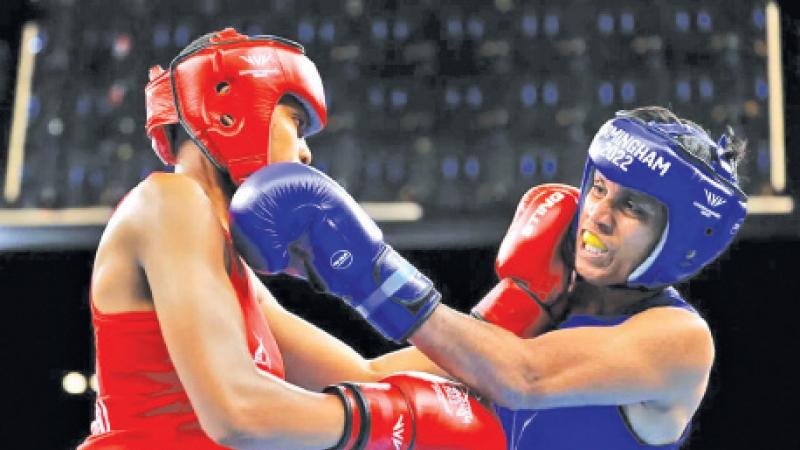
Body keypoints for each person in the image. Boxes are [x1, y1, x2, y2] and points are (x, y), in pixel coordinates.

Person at [79, 28, 507, 450]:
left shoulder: (230, 269)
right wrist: (395, 418)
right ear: (228, 116)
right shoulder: (170, 202)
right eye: (296, 124)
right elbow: (237, 412)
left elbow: (368, 375)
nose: (305, 153)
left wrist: (522, 309)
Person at [230, 106, 747, 449]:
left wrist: (368, 271)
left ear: (681, 239)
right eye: (600, 189)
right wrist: (228, 270)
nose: (599, 215)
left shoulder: (679, 340)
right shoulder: (539, 312)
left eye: (632, 205)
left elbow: (526, 379)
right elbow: (366, 379)